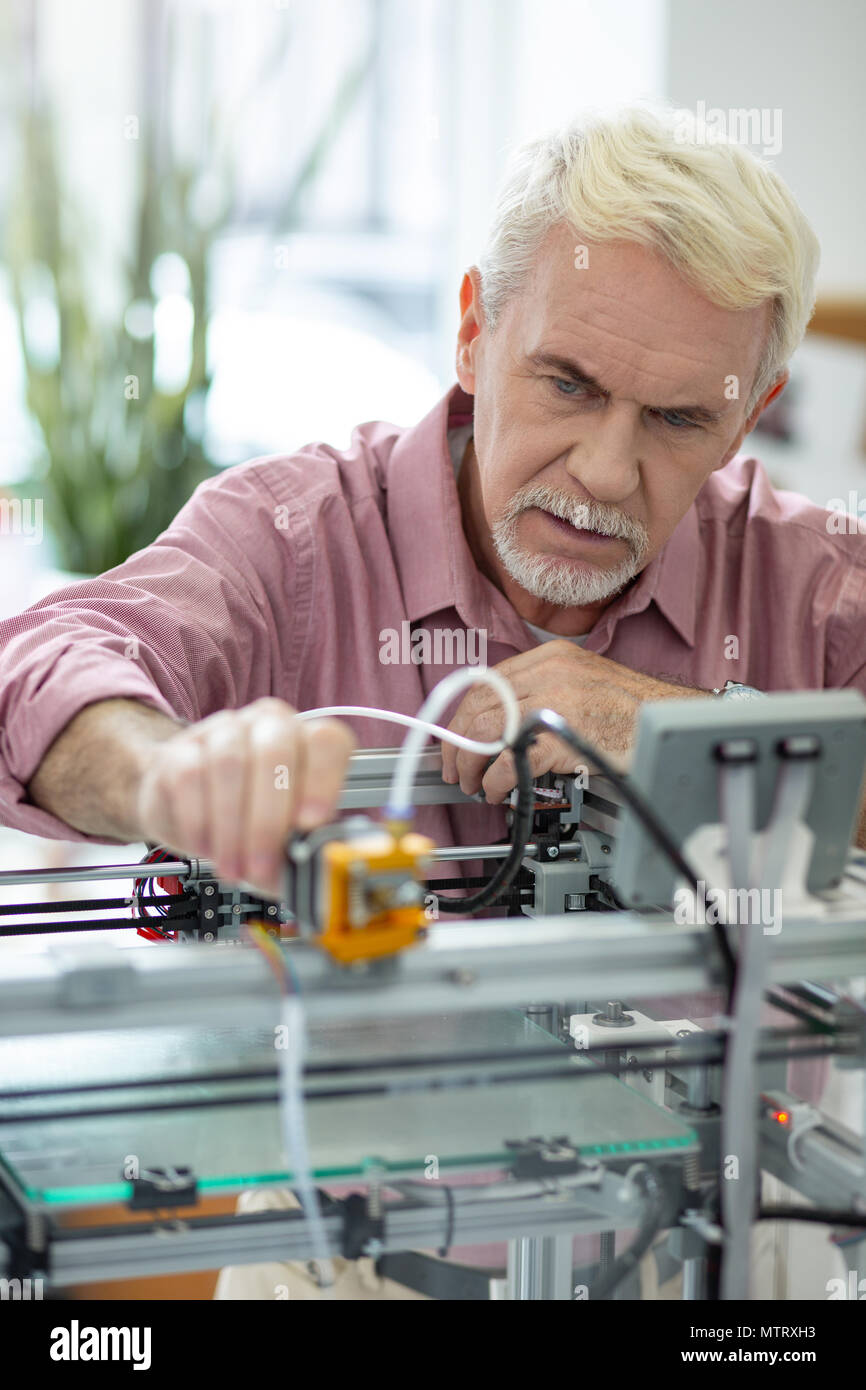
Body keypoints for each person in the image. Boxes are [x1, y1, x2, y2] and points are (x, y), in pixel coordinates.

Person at [1, 105, 863, 1299]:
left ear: (750, 409)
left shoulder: (811, 581)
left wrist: (645, 724)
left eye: (677, 420)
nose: (605, 470)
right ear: (471, 331)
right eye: (567, 383)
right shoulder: (294, 541)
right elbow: (47, 661)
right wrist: (161, 774)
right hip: (345, 1266)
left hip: (724, 1262)